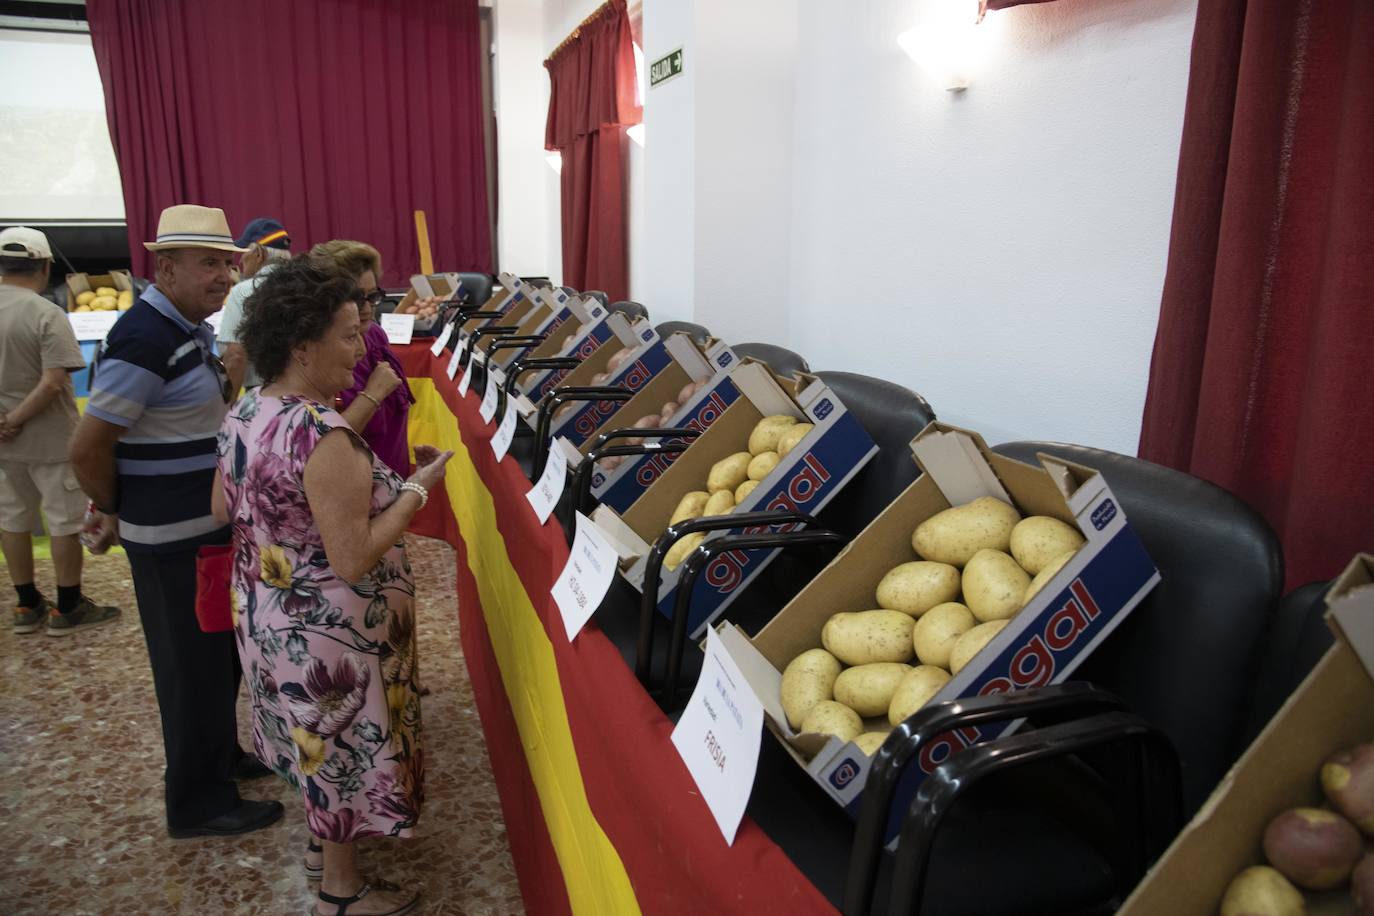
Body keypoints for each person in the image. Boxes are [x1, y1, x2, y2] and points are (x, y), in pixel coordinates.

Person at [214, 254, 449, 915]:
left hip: (268, 612)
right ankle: (342, 892)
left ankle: (325, 848)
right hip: (329, 635)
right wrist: (413, 491)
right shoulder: (321, 434)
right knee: (341, 750)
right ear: (302, 344)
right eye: (347, 335)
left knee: (312, 746)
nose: (359, 349)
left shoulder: (247, 409)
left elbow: (220, 507)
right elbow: (354, 557)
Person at [69, 204, 284, 838]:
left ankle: (219, 759)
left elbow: (172, 423)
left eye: (228, 262)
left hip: (201, 530)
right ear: (164, 267)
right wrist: (112, 508)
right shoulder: (145, 336)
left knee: (219, 657)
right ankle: (197, 802)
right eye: (208, 263)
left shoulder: (186, 327)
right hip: (170, 540)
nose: (224, 275)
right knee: (189, 667)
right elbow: (89, 445)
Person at [0, 226, 120, 635]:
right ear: (45, 265)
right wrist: (15, 421)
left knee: (13, 518)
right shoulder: (45, 312)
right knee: (63, 520)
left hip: (4, 445)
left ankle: (26, 603)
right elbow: (53, 382)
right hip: (48, 439)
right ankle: (68, 606)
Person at [308, 240, 416, 476]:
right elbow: (323, 446)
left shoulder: (375, 334)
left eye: (373, 295)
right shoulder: (320, 350)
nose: (367, 308)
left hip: (393, 481)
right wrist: (374, 394)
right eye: (357, 298)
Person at [217, 216, 293, 391]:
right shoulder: (309, 286)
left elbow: (235, 356)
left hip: (263, 396)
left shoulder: (243, 292)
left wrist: (228, 410)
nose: (240, 260)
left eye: (243, 251)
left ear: (258, 254)